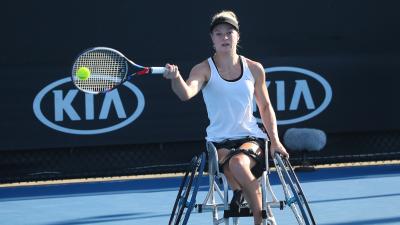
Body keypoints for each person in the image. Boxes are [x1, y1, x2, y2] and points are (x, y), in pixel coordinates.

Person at [163, 10, 289, 225]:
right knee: (232, 166)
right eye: (218, 33)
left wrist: (275, 142)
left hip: (251, 137)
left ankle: (257, 216)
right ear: (212, 39)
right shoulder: (203, 69)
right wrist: (175, 78)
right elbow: (186, 93)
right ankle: (243, 195)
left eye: (229, 32)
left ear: (238, 36)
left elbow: (266, 107)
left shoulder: (254, 68)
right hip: (218, 142)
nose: (224, 37)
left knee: (239, 164)